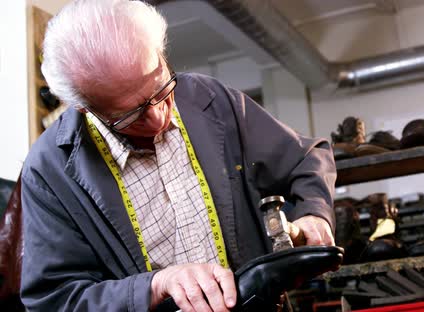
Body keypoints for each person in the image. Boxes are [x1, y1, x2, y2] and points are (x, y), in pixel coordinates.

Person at [20, 0, 336, 311]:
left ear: (160, 53)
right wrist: (155, 286)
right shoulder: (49, 170)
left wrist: (314, 212)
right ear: (83, 106)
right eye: (130, 115)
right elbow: (54, 299)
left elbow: (306, 160)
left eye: (160, 88)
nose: (159, 117)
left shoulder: (209, 98)